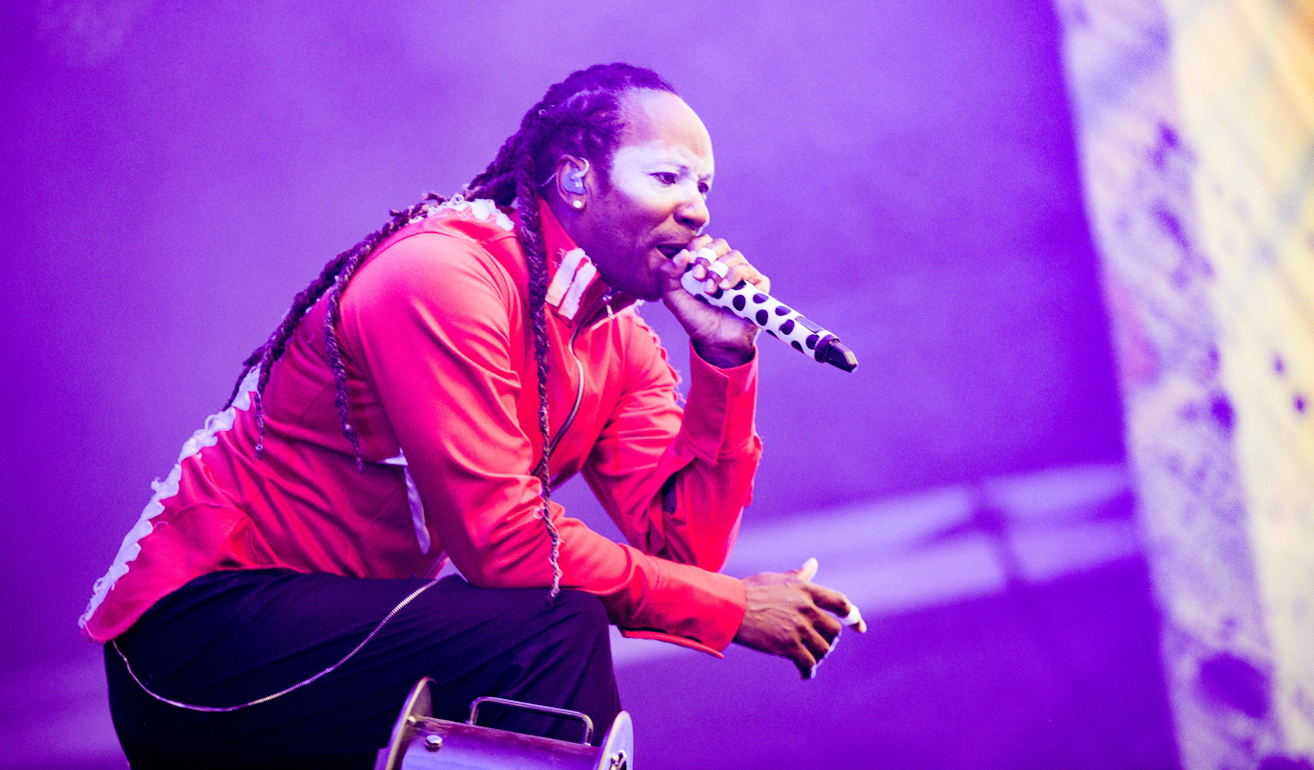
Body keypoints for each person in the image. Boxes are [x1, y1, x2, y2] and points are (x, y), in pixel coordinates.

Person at [81, 63, 856, 768]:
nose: (695, 209)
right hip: (198, 643)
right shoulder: (444, 273)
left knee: (535, 639)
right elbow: (507, 548)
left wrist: (725, 364)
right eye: (667, 176)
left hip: (350, 648)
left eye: (706, 187)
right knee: (553, 628)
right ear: (576, 179)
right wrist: (735, 610)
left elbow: (683, 549)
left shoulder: (618, 343)